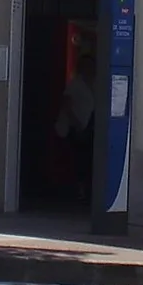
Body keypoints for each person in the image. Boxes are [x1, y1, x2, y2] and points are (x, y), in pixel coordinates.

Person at [53, 53, 98, 199]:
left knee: (89, 158)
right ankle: (79, 190)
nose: (89, 69)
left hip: (91, 124)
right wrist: (75, 122)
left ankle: (88, 190)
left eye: (91, 66)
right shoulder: (75, 84)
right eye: (86, 66)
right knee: (79, 159)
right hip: (77, 125)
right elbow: (66, 104)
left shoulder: (97, 83)